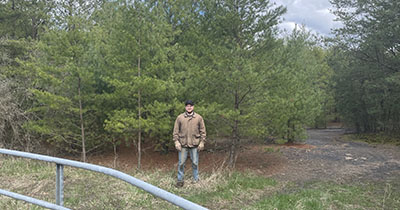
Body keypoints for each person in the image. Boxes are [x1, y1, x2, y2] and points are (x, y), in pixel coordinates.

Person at [173, 100, 206, 187]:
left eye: (191, 106)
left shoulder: (198, 118)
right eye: (187, 106)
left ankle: (196, 180)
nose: (189, 107)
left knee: (195, 162)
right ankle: (180, 180)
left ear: (193, 107)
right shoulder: (180, 118)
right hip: (183, 144)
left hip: (194, 144)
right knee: (181, 163)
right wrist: (176, 142)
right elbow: (175, 131)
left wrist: (202, 142)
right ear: (185, 107)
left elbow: (203, 131)